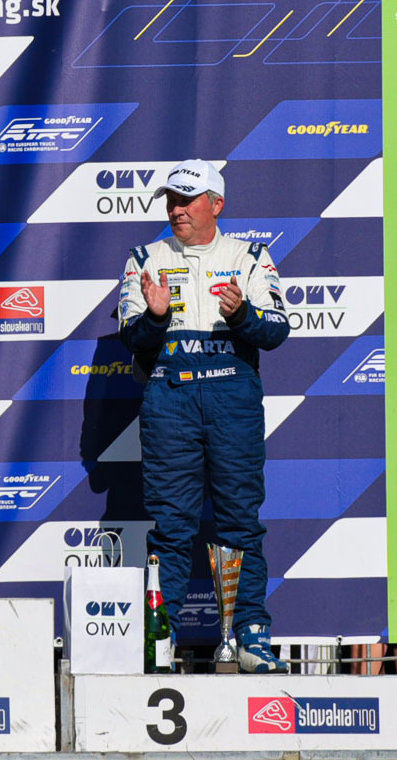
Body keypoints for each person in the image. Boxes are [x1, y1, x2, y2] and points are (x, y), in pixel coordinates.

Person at [118, 159, 290, 673]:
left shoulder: (249, 257)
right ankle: (161, 637)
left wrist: (241, 315)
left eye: (187, 200)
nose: (176, 210)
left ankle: (251, 635)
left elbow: (276, 331)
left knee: (240, 520)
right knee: (171, 526)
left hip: (232, 394)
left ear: (216, 204)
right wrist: (155, 317)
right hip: (170, 397)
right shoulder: (145, 258)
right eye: (171, 200)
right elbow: (132, 338)